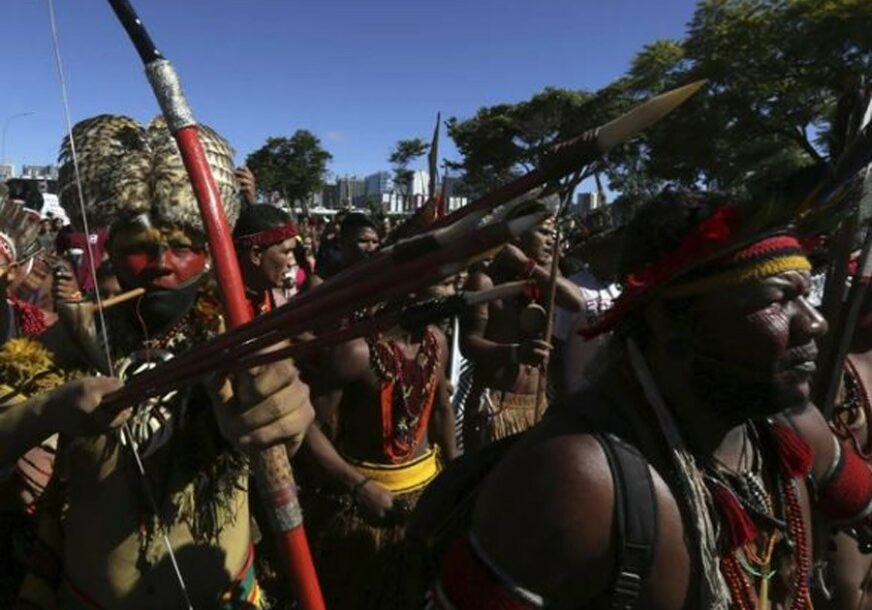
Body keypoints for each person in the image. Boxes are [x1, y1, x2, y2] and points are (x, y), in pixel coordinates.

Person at [429, 190, 872, 610]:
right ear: (671, 323)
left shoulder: (794, 429)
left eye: (804, 294)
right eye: (778, 298)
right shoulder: (572, 481)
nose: (816, 324)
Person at [5, 114, 314, 610]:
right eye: (139, 248)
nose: (162, 264)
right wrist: (51, 410)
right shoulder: (69, 340)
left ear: (211, 256)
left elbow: (285, 417)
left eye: (183, 247)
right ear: (110, 253)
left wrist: (285, 416)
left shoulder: (238, 343)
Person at [300, 299, 458, 610]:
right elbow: (306, 429)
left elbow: (441, 411)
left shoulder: (435, 339)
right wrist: (358, 487)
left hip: (425, 499)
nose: (450, 288)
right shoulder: (355, 352)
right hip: (365, 509)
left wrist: (456, 478)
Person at [459, 200, 584, 452]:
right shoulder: (484, 283)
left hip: (537, 407)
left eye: (553, 234)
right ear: (515, 237)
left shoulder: (543, 281)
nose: (551, 240)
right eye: (543, 232)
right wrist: (516, 353)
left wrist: (527, 266)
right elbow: (468, 344)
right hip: (496, 407)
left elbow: (576, 302)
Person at [233, 204, 303, 313]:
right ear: (256, 255)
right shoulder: (214, 306)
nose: (292, 262)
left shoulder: (272, 296)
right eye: (286, 252)